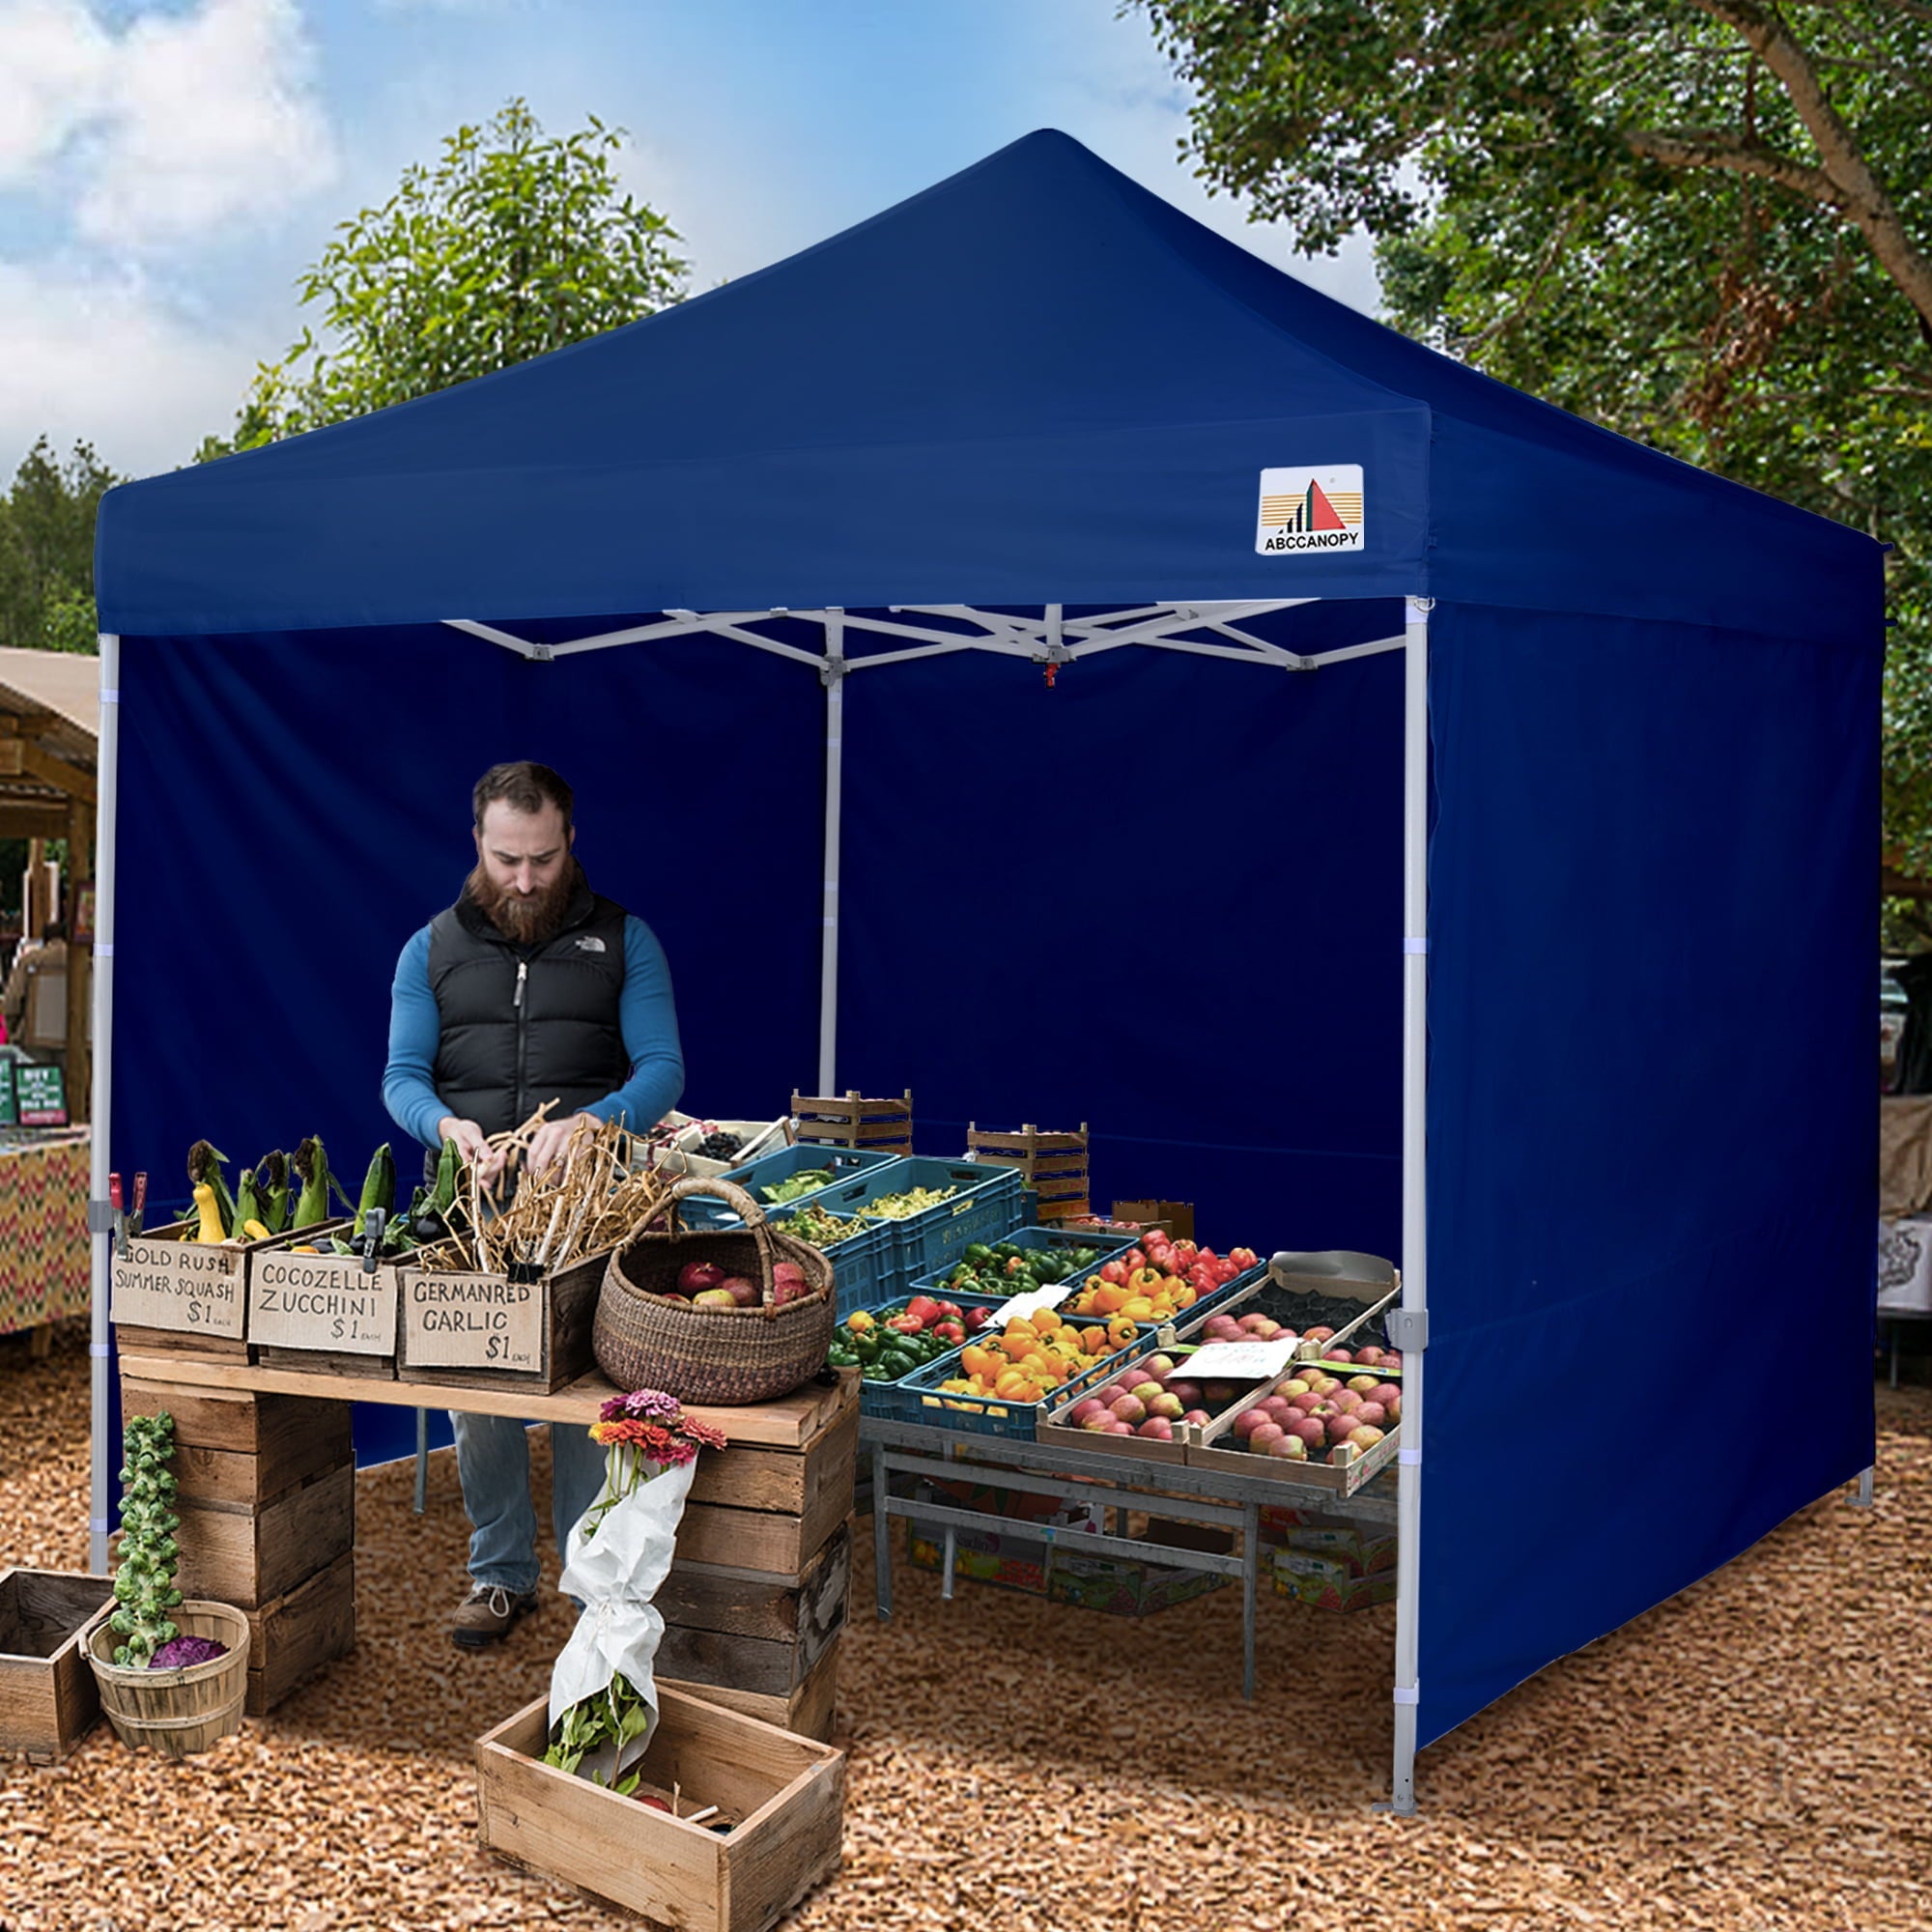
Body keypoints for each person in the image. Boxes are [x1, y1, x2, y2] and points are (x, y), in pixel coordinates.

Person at [383, 761, 685, 1647]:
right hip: (479, 1214)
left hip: (593, 1215)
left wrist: (595, 1124)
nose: (523, 880)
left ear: (571, 843)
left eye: (543, 860)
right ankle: (501, 1573)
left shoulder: (626, 940)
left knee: (594, 1391)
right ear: (477, 843)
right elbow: (402, 1077)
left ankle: (593, 1584)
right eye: (507, 859)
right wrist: (445, 1129)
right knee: (480, 1395)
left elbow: (662, 1069)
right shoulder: (429, 949)